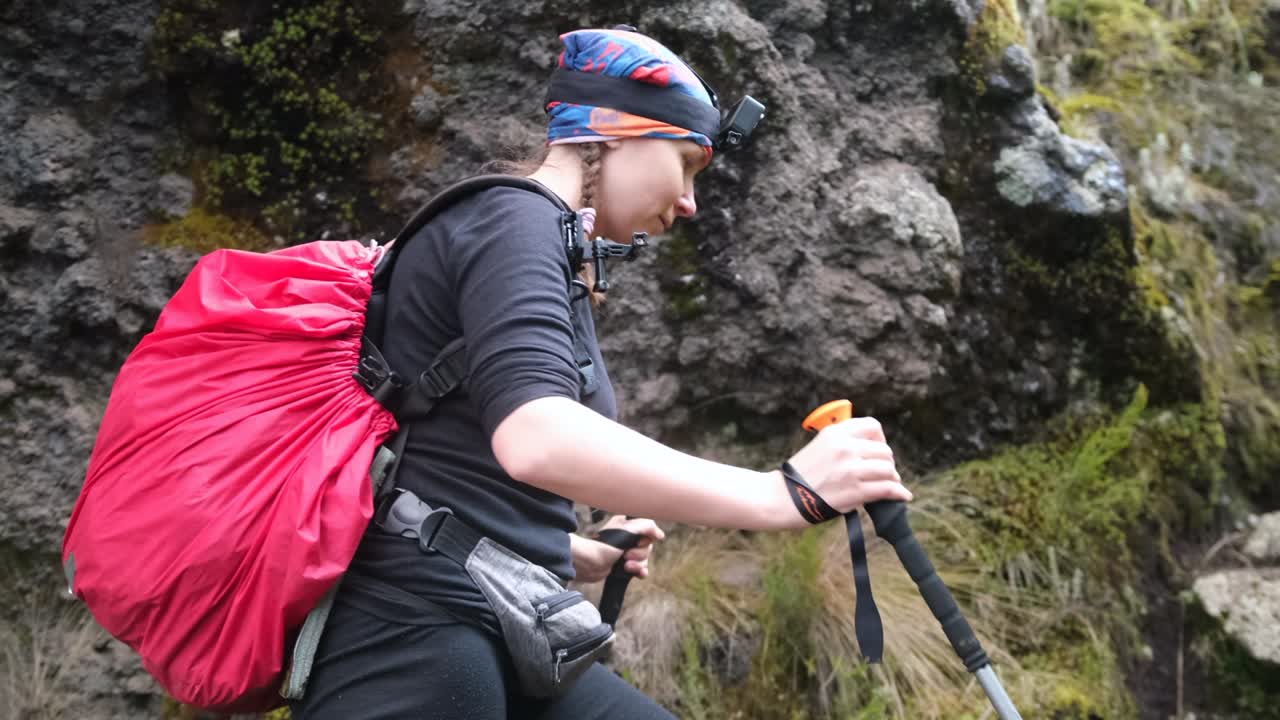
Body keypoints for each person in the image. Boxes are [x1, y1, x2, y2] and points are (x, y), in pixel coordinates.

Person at [289, 26, 912, 720]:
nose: (689, 203)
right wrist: (781, 494)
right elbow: (537, 439)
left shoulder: (542, 241)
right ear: (617, 130)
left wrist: (572, 551)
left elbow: (444, 449)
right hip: (411, 637)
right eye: (686, 163)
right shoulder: (513, 219)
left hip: (505, 622)